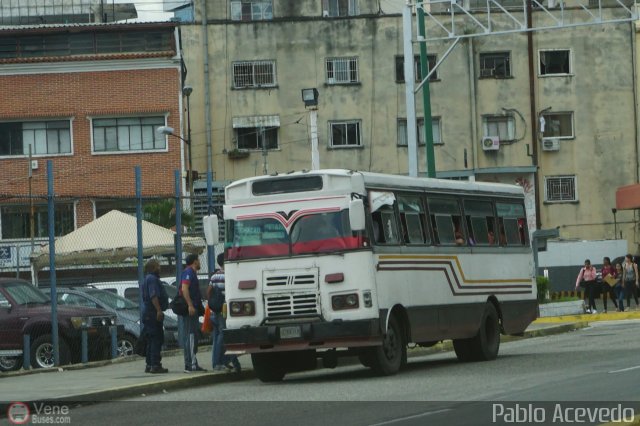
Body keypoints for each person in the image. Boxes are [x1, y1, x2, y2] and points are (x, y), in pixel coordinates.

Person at [207, 253, 241, 373]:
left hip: (215, 310)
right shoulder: (228, 275)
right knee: (223, 336)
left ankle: (220, 362)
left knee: (217, 337)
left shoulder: (214, 276)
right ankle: (219, 362)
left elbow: (209, 291)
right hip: (224, 310)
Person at [141, 259, 168, 373]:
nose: (160, 268)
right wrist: (159, 311)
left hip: (148, 313)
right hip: (153, 313)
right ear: (153, 268)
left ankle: (149, 364)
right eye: (158, 266)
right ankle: (155, 365)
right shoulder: (152, 279)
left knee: (151, 339)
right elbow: (154, 295)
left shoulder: (146, 279)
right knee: (156, 338)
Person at [180, 254, 206, 372]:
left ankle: (192, 362)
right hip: (191, 309)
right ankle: (191, 364)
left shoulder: (191, 273)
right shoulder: (189, 272)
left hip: (193, 308)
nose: (200, 262)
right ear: (195, 262)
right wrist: (190, 305)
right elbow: (184, 288)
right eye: (199, 260)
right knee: (191, 336)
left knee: (192, 336)